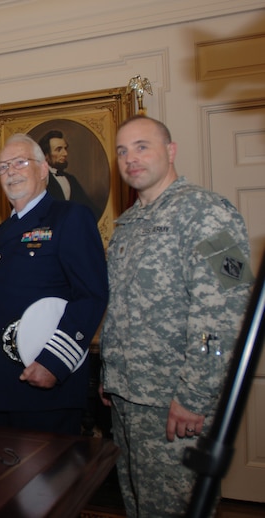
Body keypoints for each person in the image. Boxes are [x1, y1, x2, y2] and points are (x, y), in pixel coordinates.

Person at [99, 115, 254, 517]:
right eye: (122, 150)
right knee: (137, 507)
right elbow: (120, 309)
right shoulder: (127, 225)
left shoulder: (207, 213)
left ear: (170, 151)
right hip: (128, 400)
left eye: (142, 146)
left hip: (175, 405)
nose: (130, 158)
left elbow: (227, 314)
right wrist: (110, 376)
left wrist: (194, 397)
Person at [0, 133, 108, 434]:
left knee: (47, 480)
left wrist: (55, 362)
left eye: (20, 162)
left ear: (43, 169)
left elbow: (91, 296)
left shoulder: (70, 217)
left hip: (45, 386)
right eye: (3, 167)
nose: (11, 172)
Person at [38, 130, 100, 220]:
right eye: (59, 149)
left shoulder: (71, 179)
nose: (65, 154)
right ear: (46, 155)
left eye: (65, 148)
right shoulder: (40, 181)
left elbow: (89, 207)